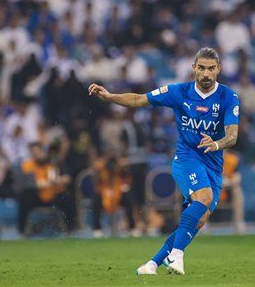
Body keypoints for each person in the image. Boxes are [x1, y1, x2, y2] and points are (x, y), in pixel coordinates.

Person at [88, 47, 240, 275]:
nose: (206, 74)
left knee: (198, 220)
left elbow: (232, 135)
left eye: (211, 69)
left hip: (213, 164)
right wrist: (109, 96)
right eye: (201, 68)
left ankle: (152, 264)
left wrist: (217, 144)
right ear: (193, 68)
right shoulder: (179, 92)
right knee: (204, 197)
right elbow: (140, 99)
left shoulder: (228, 96)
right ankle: (177, 255)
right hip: (186, 158)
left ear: (218, 69)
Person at [17, 142, 75, 235]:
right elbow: (25, 182)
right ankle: (22, 231)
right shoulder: (27, 165)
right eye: (34, 154)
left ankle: (71, 229)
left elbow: (67, 178)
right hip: (37, 194)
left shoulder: (55, 162)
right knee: (24, 198)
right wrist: (37, 185)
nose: (37, 156)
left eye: (39, 153)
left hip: (54, 193)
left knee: (67, 198)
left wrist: (57, 181)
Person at [91, 156, 138, 238]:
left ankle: (132, 228)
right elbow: (96, 185)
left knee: (128, 198)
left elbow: (128, 182)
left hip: (118, 195)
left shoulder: (121, 170)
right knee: (96, 199)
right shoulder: (101, 171)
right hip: (105, 195)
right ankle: (97, 228)